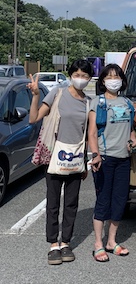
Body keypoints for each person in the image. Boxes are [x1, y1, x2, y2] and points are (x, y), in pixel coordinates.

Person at [28, 59, 93, 265]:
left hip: (76, 158)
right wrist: (36, 95)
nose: (80, 79)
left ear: (89, 78)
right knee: (53, 202)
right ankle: (53, 244)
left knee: (72, 203)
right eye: (77, 74)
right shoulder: (57, 93)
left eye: (85, 75)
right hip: (55, 156)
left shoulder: (88, 102)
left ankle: (66, 242)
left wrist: (86, 160)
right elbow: (34, 118)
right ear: (71, 75)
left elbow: (86, 134)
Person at [88, 64, 136, 262]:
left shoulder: (127, 103)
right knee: (103, 200)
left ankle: (111, 241)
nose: (113, 80)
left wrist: (133, 140)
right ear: (102, 81)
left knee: (119, 200)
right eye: (109, 77)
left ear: (122, 80)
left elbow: (131, 130)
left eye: (116, 77)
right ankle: (98, 244)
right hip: (105, 158)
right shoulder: (97, 103)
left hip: (123, 159)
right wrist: (95, 155)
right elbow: (92, 133)